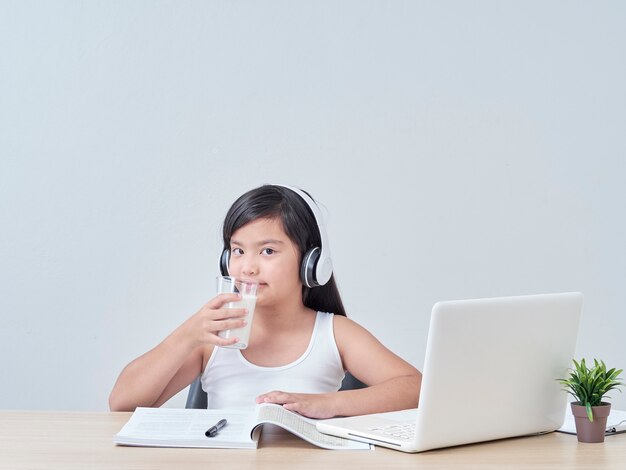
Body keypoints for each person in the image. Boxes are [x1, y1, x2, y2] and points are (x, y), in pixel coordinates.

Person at [109, 184, 422, 418]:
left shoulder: (335, 333)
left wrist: (331, 404)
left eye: (268, 251)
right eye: (238, 250)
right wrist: (186, 336)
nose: (248, 267)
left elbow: (417, 388)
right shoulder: (212, 339)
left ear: (310, 263)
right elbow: (122, 403)